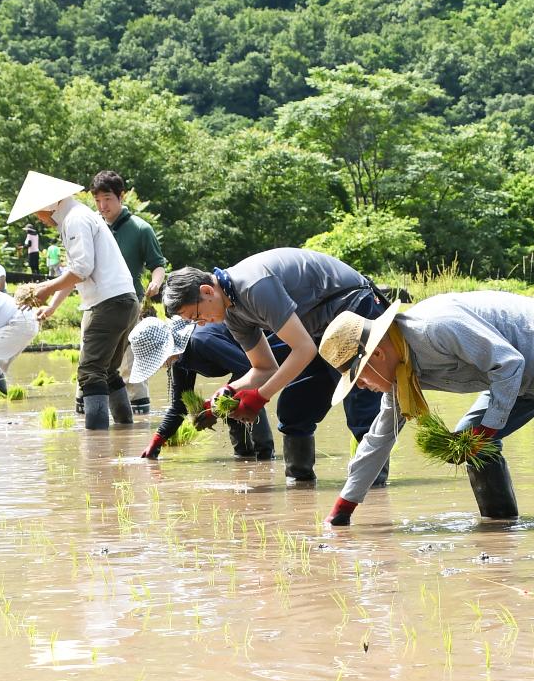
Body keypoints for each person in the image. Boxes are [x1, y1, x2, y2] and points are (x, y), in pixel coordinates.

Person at [316, 290, 534, 531]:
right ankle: (502, 529)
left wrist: (489, 428)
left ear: (378, 354)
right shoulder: (403, 373)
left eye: (358, 376)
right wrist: (343, 509)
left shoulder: (435, 327)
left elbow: (508, 363)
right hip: (523, 378)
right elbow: (378, 440)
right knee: (471, 442)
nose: (359, 387)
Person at [161, 250, 385, 485]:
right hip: (317, 331)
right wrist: (229, 391)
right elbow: (264, 368)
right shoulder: (233, 314)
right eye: (194, 322)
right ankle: (301, 492)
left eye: (196, 316)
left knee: (361, 410)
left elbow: (304, 350)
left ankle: (374, 491)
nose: (201, 324)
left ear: (207, 291)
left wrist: (260, 397)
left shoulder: (253, 286)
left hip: (353, 309)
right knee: (294, 412)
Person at [9, 171, 139, 431]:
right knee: (108, 372)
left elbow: (81, 269)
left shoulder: (74, 219)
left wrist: (45, 288)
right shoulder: (80, 215)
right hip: (125, 301)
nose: (39, 219)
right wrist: (54, 304)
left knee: (90, 373)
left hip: (106, 304)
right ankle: (125, 430)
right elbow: (77, 273)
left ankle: (96, 445)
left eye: (37, 212)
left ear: (47, 206)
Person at [127, 314, 277, 463]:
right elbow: (179, 407)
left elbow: (250, 370)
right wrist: (157, 441)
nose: (158, 366)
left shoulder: (201, 342)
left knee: (240, 401)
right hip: (249, 366)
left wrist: (214, 407)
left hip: (271, 348)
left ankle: (265, 457)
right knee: (230, 406)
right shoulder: (178, 360)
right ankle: (245, 459)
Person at [92, 170, 168, 414]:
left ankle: (138, 424)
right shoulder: (93, 227)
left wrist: (155, 283)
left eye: (108, 199)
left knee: (130, 363)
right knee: (92, 363)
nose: (103, 206)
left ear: (121, 196)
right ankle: (100, 418)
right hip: (96, 304)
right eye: (97, 200)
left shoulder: (140, 229)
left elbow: (157, 265)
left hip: (130, 304)